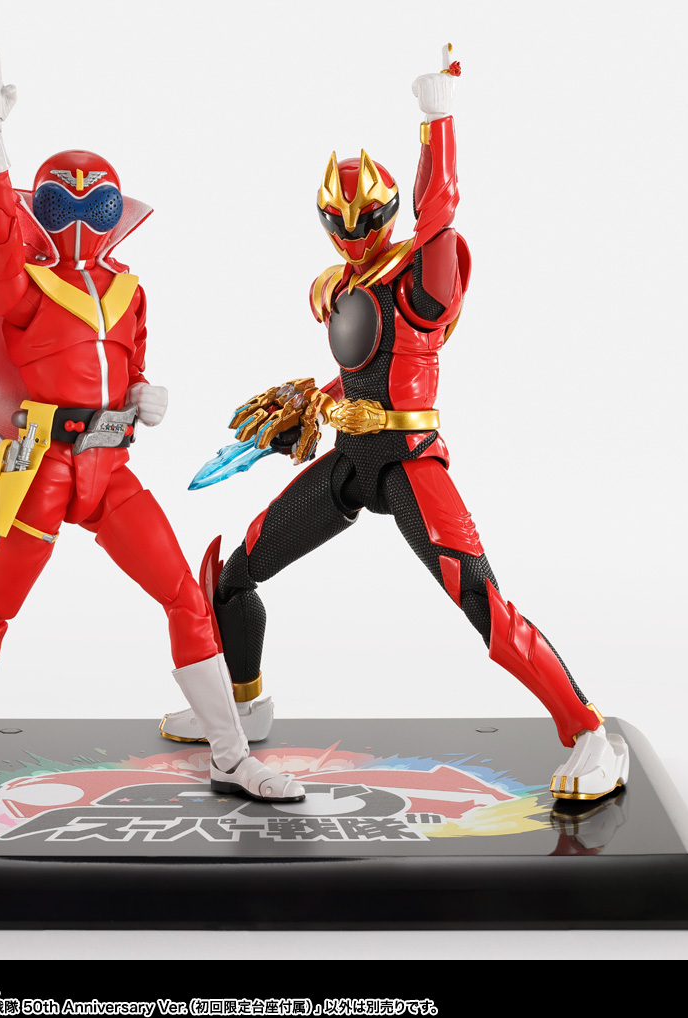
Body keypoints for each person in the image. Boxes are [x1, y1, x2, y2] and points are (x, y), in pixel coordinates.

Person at [160, 49, 628, 802]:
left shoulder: (420, 277)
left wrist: (438, 119)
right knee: (237, 572)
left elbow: (440, 213)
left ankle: (590, 735)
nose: (352, 231)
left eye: (367, 217)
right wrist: (311, 405)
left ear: (389, 211)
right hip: (351, 462)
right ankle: (244, 704)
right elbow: (360, 373)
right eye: (338, 220)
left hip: (409, 461)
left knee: (482, 602)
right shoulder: (338, 286)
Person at [0, 48, 303, 804]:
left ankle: (230, 754)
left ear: (117, 212)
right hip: (40, 464)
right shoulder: (23, 283)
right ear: (40, 210)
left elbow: (133, 364)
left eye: (98, 206)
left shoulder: (129, 289)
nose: (80, 221)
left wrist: (147, 394)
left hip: (109, 468)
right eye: (61, 207)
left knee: (184, 594)